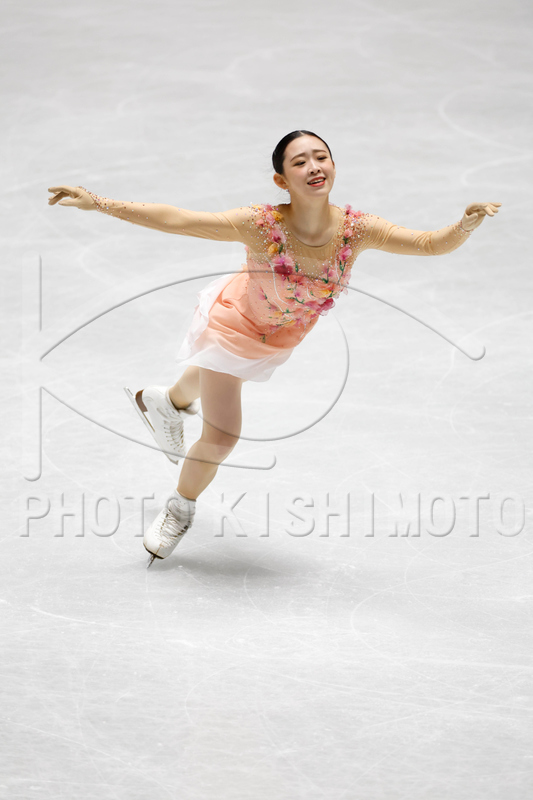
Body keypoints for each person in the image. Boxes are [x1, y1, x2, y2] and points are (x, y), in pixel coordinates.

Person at [47, 130, 501, 566]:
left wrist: (464, 225)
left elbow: (427, 244)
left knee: (214, 374)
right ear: (281, 180)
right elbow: (180, 219)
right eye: (300, 162)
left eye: (321, 157)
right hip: (234, 323)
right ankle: (180, 508)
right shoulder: (261, 225)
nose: (314, 166)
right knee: (222, 436)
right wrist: (98, 202)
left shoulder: (356, 230)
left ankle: (165, 402)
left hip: (281, 333)